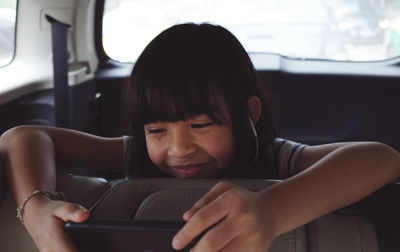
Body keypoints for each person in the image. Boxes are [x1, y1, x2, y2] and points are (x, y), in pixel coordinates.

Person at [0, 23, 399, 252]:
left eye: (202, 125)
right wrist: (35, 207)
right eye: (157, 130)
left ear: (249, 115)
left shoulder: (276, 159)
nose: (178, 149)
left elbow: (380, 158)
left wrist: (274, 209)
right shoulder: (135, 154)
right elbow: (25, 135)